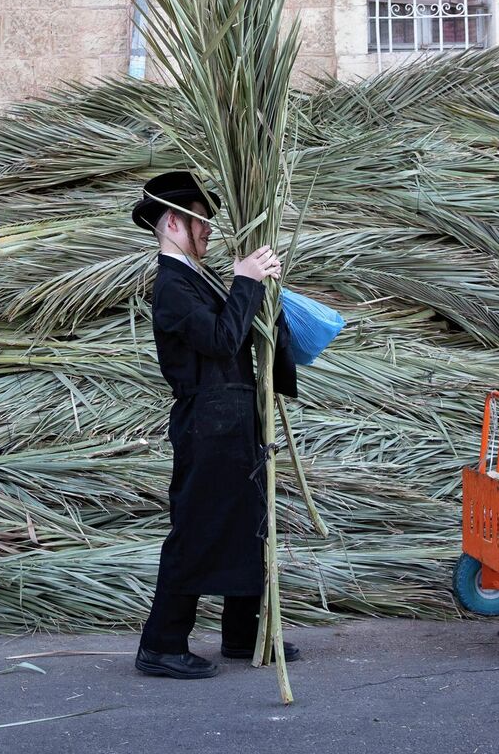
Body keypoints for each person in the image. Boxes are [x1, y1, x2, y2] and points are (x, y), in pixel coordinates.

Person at [130, 171, 300, 680]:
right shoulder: (173, 287)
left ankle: (241, 633)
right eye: (203, 220)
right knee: (197, 530)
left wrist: (260, 299)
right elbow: (224, 341)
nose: (209, 230)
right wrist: (244, 279)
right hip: (206, 424)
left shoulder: (193, 279)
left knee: (246, 524)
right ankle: (161, 645)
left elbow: (236, 332)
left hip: (229, 421)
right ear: (177, 222)